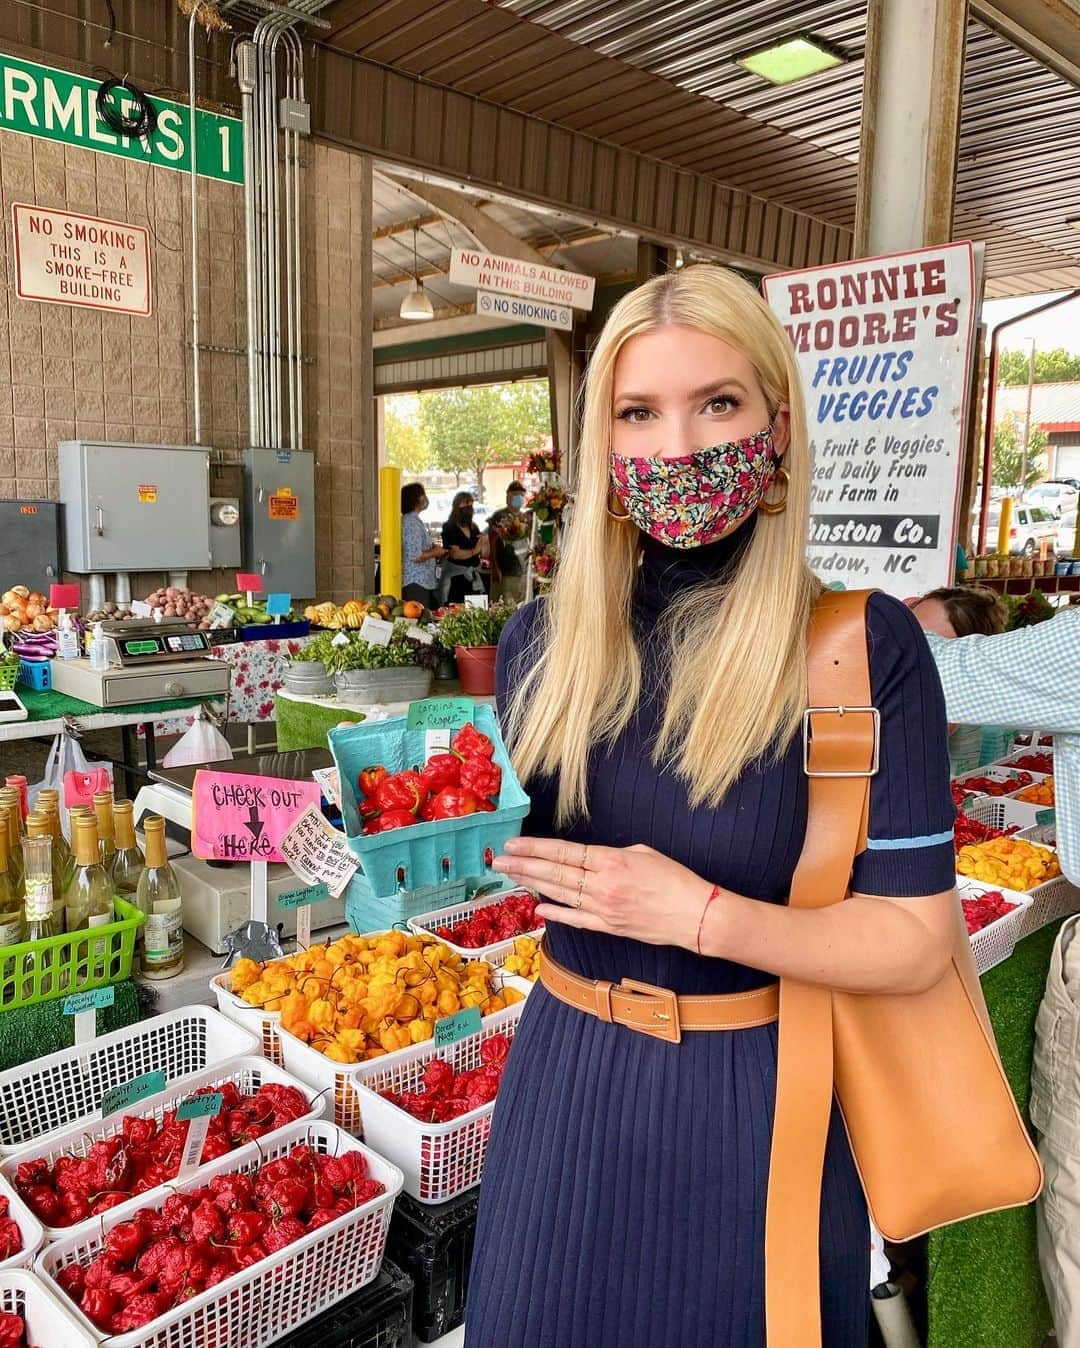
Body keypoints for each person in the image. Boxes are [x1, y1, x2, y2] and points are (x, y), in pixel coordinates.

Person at [465, 265, 958, 1347]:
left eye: (717, 404)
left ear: (777, 423)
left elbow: (917, 942)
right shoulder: (540, 647)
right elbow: (511, 848)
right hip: (564, 1091)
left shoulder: (863, 650)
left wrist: (700, 916)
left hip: (758, 1104)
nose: (677, 448)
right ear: (602, 445)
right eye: (639, 413)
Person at [400, 482, 445, 610]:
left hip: (421, 582)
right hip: (416, 582)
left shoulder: (412, 521)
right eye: (422, 494)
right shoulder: (411, 523)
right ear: (416, 499)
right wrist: (435, 552)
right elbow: (415, 555)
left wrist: (431, 548)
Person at [436, 491, 486, 605]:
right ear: (456, 506)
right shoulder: (449, 527)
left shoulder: (474, 527)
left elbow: (483, 552)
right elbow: (455, 554)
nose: (468, 508)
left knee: (476, 612)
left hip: (473, 578)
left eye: (471, 505)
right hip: (456, 579)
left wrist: (486, 541)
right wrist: (475, 550)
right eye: (465, 504)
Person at [487, 481, 529, 604]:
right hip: (504, 571)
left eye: (521, 495)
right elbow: (492, 541)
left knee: (520, 603)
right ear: (508, 497)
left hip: (522, 571)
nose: (518, 498)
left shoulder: (526, 517)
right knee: (503, 605)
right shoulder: (499, 516)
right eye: (515, 495)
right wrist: (494, 567)